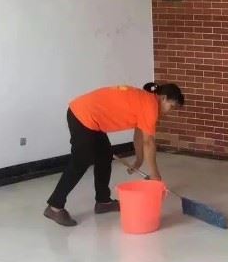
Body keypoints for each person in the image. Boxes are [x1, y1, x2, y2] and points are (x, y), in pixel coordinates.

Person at [44, 82, 185, 227]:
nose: (170, 111)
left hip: (90, 117)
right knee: (81, 160)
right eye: (171, 106)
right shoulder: (151, 106)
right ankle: (55, 207)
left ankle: (103, 201)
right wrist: (155, 175)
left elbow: (139, 135)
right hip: (83, 116)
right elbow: (148, 142)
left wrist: (139, 160)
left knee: (105, 155)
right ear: (163, 98)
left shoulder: (146, 100)